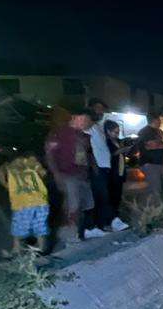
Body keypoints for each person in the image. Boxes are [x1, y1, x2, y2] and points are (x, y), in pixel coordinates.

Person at [46, 109, 104, 241]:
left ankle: (85, 230)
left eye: (88, 121)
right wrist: (56, 174)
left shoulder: (82, 135)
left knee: (88, 203)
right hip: (67, 174)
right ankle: (70, 235)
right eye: (84, 120)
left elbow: (88, 154)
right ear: (75, 117)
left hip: (82, 174)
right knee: (73, 205)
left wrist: (94, 167)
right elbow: (50, 154)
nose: (86, 123)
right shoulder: (59, 133)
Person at [85, 99, 128, 232]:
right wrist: (93, 165)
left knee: (103, 196)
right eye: (98, 108)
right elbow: (87, 147)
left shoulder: (98, 127)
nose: (101, 112)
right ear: (90, 109)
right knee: (102, 196)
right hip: (97, 167)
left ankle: (102, 224)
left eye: (102, 109)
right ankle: (110, 221)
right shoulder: (89, 127)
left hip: (105, 167)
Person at [0, 155, 51, 255]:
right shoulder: (32, 162)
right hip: (40, 200)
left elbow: (2, 178)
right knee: (40, 225)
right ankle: (41, 248)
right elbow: (43, 173)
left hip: (21, 202)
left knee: (18, 227)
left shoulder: (6, 167)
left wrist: (6, 184)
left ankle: (17, 249)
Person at [135, 109, 163, 200]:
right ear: (154, 120)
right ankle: (151, 207)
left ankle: (157, 206)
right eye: (159, 119)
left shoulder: (159, 131)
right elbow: (152, 145)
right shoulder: (145, 132)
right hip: (151, 164)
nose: (160, 121)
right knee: (155, 190)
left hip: (160, 163)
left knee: (162, 189)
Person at [104, 119, 127, 220]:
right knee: (112, 196)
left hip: (120, 171)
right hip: (112, 172)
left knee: (118, 196)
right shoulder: (106, 141)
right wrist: (121, 150)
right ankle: (111, 217)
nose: (117, 134)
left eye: (118, 132)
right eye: (115, 132)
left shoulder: (118, 141)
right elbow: (111, 154)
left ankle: (116, 216)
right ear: (108, 131)